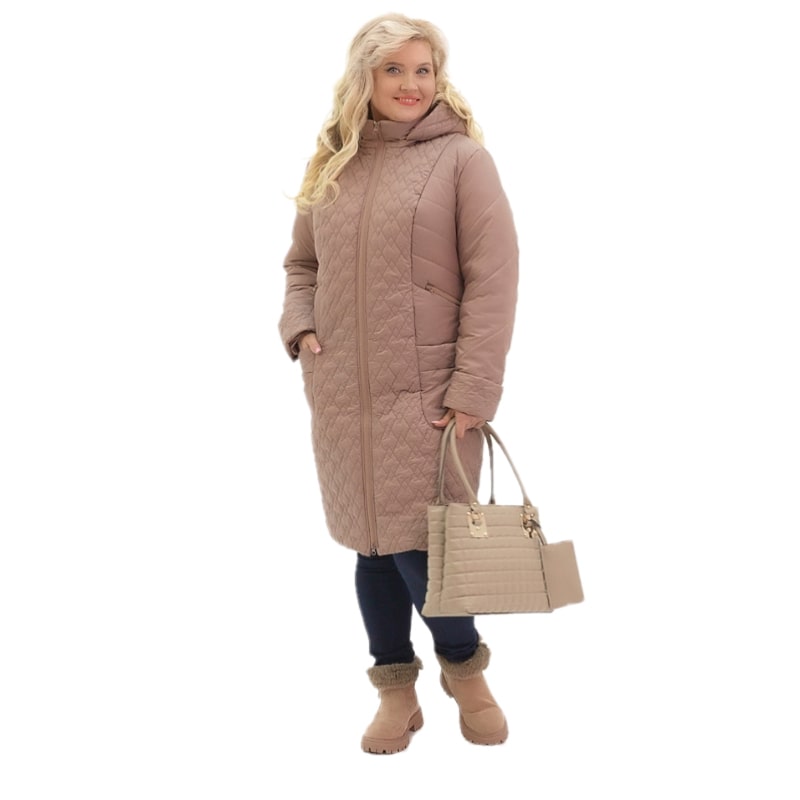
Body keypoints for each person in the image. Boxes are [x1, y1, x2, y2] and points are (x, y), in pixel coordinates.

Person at [279, 13, 519, 754]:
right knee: (372, 548)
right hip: (342, 396)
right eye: (395, 70)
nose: (412, 84)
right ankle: (395, 690)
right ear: (366, 77)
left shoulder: (462, 161)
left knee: (427, 549)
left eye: (423, 70)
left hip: (431, 399)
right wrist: (300, 327)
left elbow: (494, 281)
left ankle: (465, 673)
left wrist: (473, 389)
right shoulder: (334, 163)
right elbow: (301, 265)